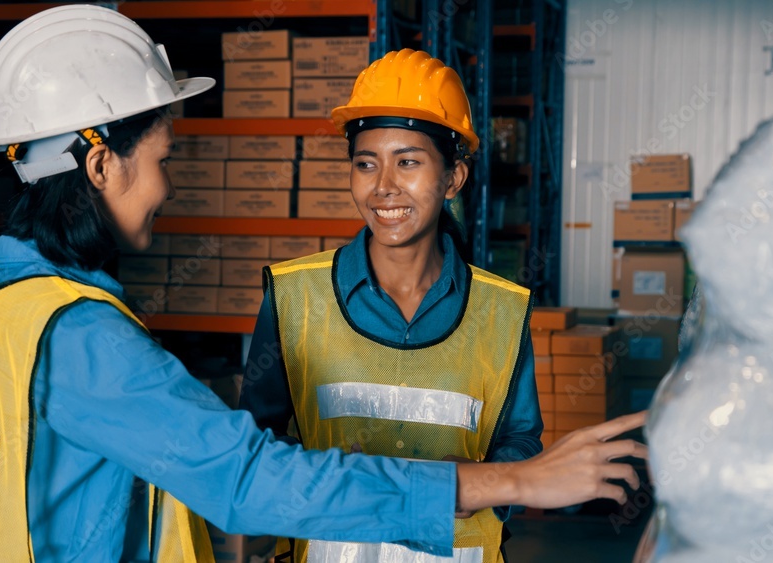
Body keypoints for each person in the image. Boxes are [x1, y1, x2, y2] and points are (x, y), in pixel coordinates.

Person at [0, 6, 648, 561]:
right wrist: (518, 480)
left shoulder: (16, 311)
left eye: (409, 161)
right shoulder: (87, 338)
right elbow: (249, 477)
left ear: (453, 174)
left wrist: (536, 479)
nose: (168, 185)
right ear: (101, 167)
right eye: (163, 157)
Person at [237, 49, 638, 563]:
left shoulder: (500, 310)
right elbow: (255, 451)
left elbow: (520, 440)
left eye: (407, 162)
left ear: (453, 179)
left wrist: (480, 481)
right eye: (365, 163)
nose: (383, 186)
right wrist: (328, 470)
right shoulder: (295, 297)